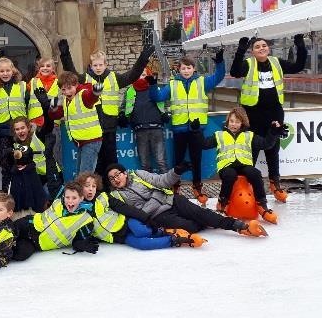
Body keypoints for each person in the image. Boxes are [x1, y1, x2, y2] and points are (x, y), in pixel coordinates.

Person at [58, 39, 155, 176]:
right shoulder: (85, 79)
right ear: (90, 66)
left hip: (109, 127)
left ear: (106, 64)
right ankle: (97, 191)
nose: (98, 67)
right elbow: (71, 74)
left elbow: (132, 75)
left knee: (111, 162)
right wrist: (65, 55)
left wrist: (143, 59)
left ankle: (113, 191)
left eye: (100, 65)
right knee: (95, 165)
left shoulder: (114, 78)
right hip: (92, 130)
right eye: (95, 65)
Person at [230, 35, 308, 202]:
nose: (262, 48)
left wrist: (300, 46)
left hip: (274, 113)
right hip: (253, 115)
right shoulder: (249, 64)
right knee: (251, 152)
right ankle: (245, 186)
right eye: (257, 47)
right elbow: (235, 72)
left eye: (264, 45)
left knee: (273, 149)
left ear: (268, 48)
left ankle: (275, 184)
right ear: (252, 51)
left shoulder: (276, 62)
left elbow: (298, 66)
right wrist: (240, 50)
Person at [106, 162, 268, 238]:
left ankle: (238, 226)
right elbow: (139, 212)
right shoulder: (116, 196)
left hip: (172, 200)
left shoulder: (139, 174)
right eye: (112, 179)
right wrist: (156, 197)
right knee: (191, 225)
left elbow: (161, 181)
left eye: (118, 174)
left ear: (125, 173)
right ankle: (207, 218)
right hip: (159, 215)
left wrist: (176, 171)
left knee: (199, 213)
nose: (116, 179)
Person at [148, 50, 225, 204]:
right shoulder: (172, 84)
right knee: (178, 160)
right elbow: (158, 97)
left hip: (197, 130)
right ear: (178, 70)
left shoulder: (202, 82)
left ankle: (197, 187)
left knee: (197, 159)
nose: (186, 71)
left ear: (194, 68)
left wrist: (220, 63)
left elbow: (218, 77)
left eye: (189, 68)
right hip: (179, 129)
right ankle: (175, 186)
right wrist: (152, 84)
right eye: (183, 68)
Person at [194, 108, 285, 224]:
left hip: (244, 165)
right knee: (230, 175)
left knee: (256, 173)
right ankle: (222, 205)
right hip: (226, 166)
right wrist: (196, 131)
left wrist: (273, 132)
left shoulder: (249, 135)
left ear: (242, 123)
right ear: (227, 121)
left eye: (237, 122)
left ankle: (262, 205)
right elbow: (203, 144)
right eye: (231, 121)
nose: (234, 124)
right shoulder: (219, 135)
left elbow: (266, 144)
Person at [76, 172, 205, 248]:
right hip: (116, 236)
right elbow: (72, 229)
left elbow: (125, 208)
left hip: (126, 222)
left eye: (94, 186)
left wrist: (146, 218)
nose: (91, 189)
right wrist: (80, 243)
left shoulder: (103, 197)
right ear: (80, 188)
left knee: (141, 230)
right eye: (87, 186)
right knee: (142, 244)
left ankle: (166, 232)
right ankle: (174, 240)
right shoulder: (76, 208)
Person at [11, 181, 97, 261]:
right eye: (67, 197)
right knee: (7, 233)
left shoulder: (86, 220)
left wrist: (84, 245)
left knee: (21, 254)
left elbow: (77, 242)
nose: (70, 201)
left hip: (36, 243)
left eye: (74, 198)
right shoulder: (58, 201)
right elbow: (52, 181)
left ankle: (2, 254)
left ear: (81, 198)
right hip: (29, 224)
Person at [49, 71, 103, 173]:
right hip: (81, 141)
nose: (67, 92)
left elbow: (90, 97)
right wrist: (53, 107)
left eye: (70, 88)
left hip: (91, 140)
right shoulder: (65, 100)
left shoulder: (83, 94)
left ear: (76, 85)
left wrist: (95, 92)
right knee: (80, 175)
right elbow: (55, 115)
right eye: (63, 90)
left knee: (85, 175)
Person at [118, 67, 169, 173]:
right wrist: (122, 114)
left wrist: (165, 113)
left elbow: (165, 103)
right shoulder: (130, 90)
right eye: (140, 75)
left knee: (161, 161)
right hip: (140, 129)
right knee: (145, 163)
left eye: (144, 75)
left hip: (156, 128)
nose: (142, 77)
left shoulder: (155, 88)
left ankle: (168, 188)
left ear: (149, 76)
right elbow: (123, 106)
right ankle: (148, 188)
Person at [0, 57, 29, 192]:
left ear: (13, 71)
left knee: (23, 163)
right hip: (2, 132)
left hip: (20, 132)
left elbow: (29, 106)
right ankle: (6, 195)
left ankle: (23, 193)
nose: (5, 73)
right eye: (2, 71)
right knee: (6, 165)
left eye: (8, 70)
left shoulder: (22, 86)